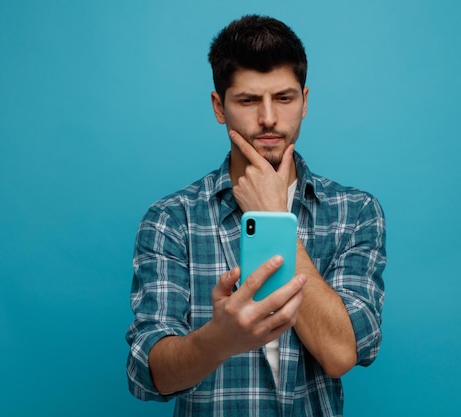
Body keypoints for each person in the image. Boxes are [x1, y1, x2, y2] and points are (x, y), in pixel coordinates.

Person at [126, 14, 386, 417]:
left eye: (284, 98)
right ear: (219, 106)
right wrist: (216, 340)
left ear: (305, 101)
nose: (268, 118)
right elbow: (148, 373)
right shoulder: (170, 220)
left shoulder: (355, 212)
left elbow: (340, 354)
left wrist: (274, 218)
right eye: (248, 100)